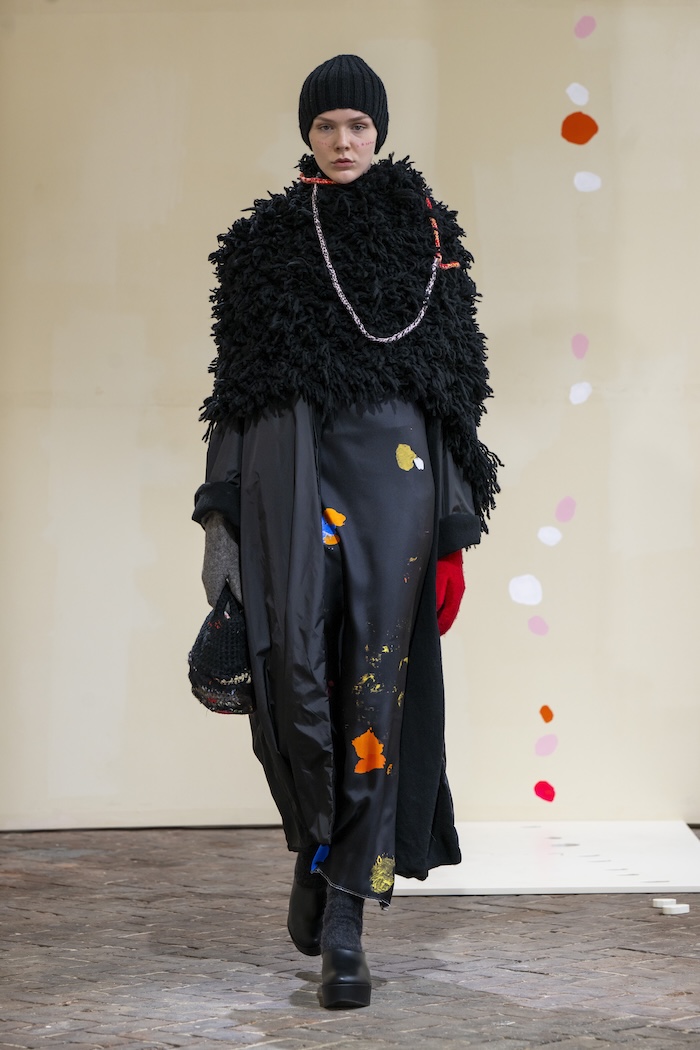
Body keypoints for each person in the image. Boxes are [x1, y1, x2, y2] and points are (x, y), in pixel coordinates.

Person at [193, 54, 499, 1009]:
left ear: (380, 131)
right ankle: (317, 847)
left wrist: (451, 530)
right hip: (289, 468)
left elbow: (454, 389)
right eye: (326, 125)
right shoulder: (268, 242)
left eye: (358, 125)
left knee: (374, 687)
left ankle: (345, 920)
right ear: (307, 135)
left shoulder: (428, 234)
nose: (343, 140)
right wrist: (221, 530)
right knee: (294, 677)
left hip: (396, 478)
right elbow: (236, 392)